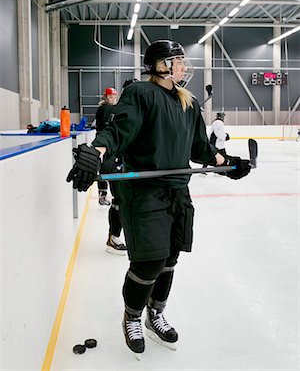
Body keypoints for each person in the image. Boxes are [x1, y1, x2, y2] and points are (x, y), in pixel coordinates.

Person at [66, 40, 251, 355]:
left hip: (178, 190)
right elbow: (119, 131)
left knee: (169, 259)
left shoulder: (188, 102)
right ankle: (133, 316)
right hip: (144, 193)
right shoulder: (141, 93)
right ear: (161, 65)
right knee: (149, 261)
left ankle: (156, 313)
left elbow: (199, 148)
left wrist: (227, 162)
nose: (183, 66)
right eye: (177, 61)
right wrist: (96, 153)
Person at [95, 87, 118, 206]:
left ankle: (105, 194)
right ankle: (103, 195)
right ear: (106, 97)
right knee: (106, 168)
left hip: (111, 142)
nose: (113, 99)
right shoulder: (104, 109)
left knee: (111, 168)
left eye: (114, 96)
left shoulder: (113, 108)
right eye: (110, 97)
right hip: (106, 143)